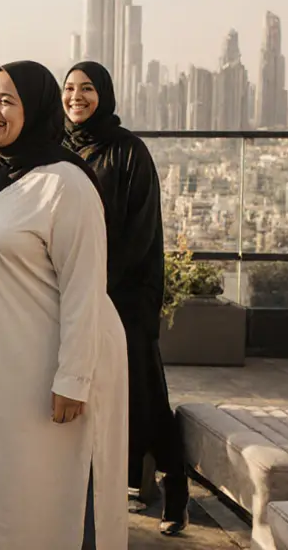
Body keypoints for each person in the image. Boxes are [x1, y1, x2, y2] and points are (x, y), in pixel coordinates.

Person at [0, 61, 129, 549]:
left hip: (41, 368)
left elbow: (86, 288)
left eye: (8, 101)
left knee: (40, 492)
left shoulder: (66, 185)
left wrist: (74, 377)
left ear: (35, 110)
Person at [63, 60, 189, 535]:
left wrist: (98, 285)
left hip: (124, 292)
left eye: (87, 89)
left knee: (142, 392)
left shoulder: (129, 151)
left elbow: (139, 233)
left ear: (106, 95)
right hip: (76, 291)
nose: (77, 97)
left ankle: (174, 486)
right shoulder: (57, 149)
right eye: (69, 89)